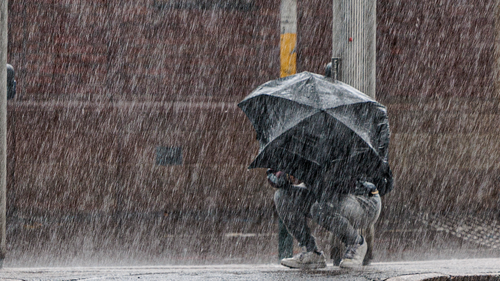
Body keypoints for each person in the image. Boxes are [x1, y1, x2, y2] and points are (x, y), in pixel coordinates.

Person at [268, 165, 386, 269]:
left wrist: (311, 172)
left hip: (364, 201)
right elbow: (272, 174)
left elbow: (344, 184)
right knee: (282, 196)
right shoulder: (296, 145)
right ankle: (312, 252)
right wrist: (283, 175)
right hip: (326, 194)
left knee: (319, 208)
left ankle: (356, 243)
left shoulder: (337, 144)